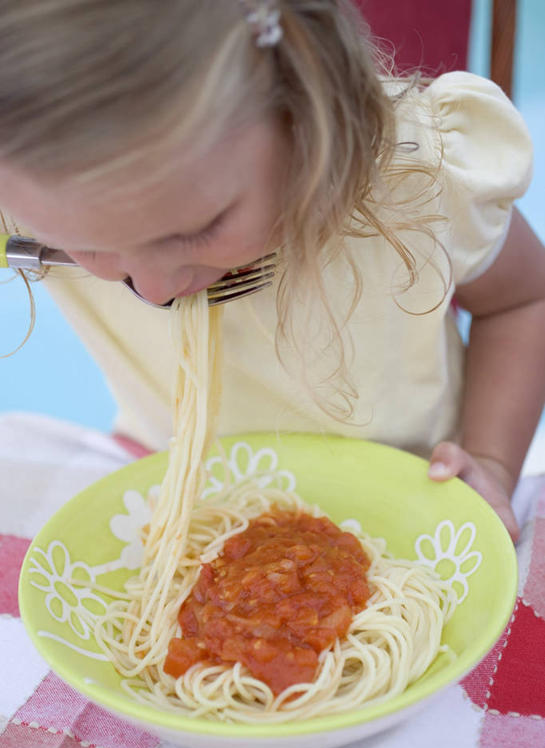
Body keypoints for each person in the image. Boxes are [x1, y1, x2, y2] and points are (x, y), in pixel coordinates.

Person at [0, 0, 543, 542]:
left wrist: (490, 463)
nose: (155, 288)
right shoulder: (23, 185)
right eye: (86, 247)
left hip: (419, 507)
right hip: (171, 491)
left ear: (302, 106)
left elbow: (523, 301)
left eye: (198, 229)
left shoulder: (418, 175)